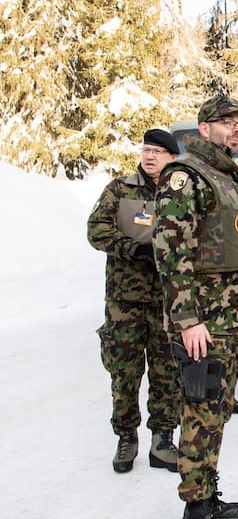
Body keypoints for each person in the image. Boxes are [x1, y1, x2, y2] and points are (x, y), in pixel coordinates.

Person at [154, 96, 238, 519]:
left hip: (227, 319)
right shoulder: (186, 176)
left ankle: (207, 496)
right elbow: (170, 251)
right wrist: (188, 319)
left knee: (215, 413)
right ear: (203, 127)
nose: (235, 131)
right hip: (204, 322)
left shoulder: (225, 176)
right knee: (200, 414)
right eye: (227, 123)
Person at [87, 129, 182, 474]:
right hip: (124, 302)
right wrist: (129, 247)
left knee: (166, 372)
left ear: (172, 157)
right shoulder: (119, 189)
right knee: (124, 373)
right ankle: (126, 438)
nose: (150, 156)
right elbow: (96, 228)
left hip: (165, 302)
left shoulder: (180, 194)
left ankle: (162, 439)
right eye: (146, 150)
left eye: (158, 151)